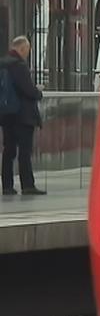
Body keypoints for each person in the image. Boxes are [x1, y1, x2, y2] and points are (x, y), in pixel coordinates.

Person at [0, 36, 43, 196]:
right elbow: (28, 90)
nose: (27, 54)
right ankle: (28, 185)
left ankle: (7, 186)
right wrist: (38, 92)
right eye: (27, 50)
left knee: (8, 151)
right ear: (22, 49)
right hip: (23, 116)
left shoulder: (3, 64)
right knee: (24, 151)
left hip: (6, 115)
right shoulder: (19, 66)